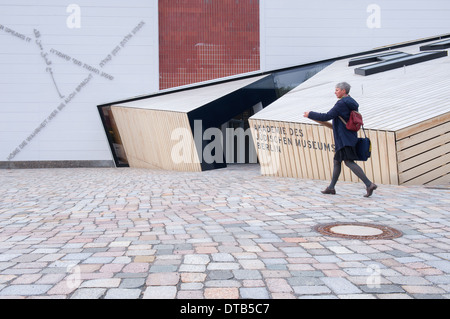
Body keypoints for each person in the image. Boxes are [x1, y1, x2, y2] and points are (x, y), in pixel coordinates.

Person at [303, 82, 377, 197]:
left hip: (344, 139)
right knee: (337, 161)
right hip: (349, 136)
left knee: (348, 162)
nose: (335, 92)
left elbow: (326, 116)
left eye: (337, 90)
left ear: (343, 91)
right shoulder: (352, 102)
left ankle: (369, 184)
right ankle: (331, 187)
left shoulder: (341, 104)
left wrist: (310, 114)